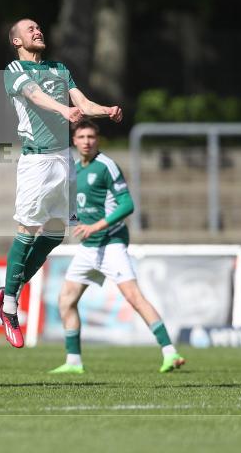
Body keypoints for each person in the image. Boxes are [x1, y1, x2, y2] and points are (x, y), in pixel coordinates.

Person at [0, 18, 122, 348]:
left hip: (63, 159)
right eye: (30, 30)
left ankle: (11, 287)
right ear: (17, 41)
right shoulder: (13, 68)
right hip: (37, 161)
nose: (38, 31)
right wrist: (63, 111)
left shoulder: (59, 68)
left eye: (40, 27)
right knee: (27, 230)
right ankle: (10, 305)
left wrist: (106, 110)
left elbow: (82, 104)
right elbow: (35, 96)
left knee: (55, 232)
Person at [51, 119, 185, 374]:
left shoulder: (107, 167)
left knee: (134, 297)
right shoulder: (75, 169)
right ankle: (73, 362)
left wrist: (96, 226)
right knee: (66, 300)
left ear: (97, 139)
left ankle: (170, 352)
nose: (87, 141)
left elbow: (127, 205)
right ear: (74, 141)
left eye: (91, 136)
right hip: (89, 247)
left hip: (111, 243)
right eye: (81, 137)